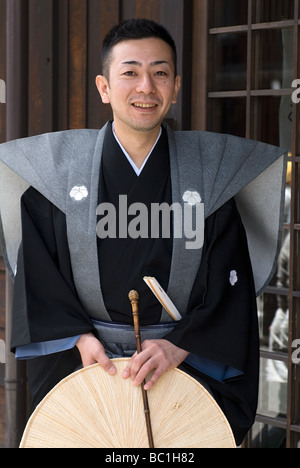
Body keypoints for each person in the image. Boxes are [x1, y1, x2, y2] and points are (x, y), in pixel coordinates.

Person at [0, 19, 286, 446]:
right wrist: (80, 340)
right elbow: (39, 273)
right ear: (103, 86)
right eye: (130, 72)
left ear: (175, 86)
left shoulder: (207, 180)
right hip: (87, 365)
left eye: (160, 72)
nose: (146, 87)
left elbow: (230, 287)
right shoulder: (61, 177)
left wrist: (177, 347)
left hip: (183, 367)